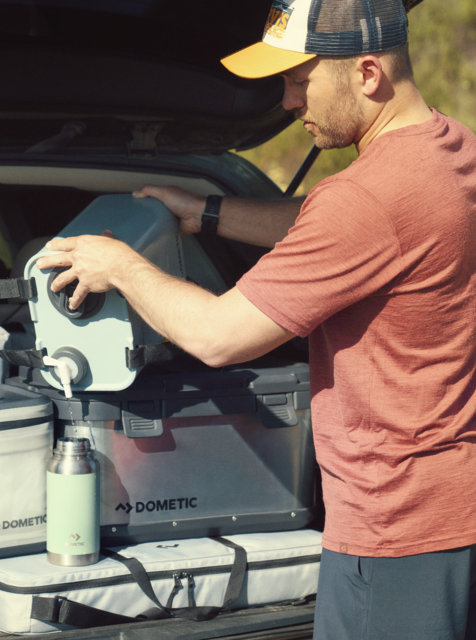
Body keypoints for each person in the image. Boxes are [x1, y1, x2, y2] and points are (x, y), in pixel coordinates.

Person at [36, 0, 476, 637]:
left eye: (299, 81)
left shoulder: (363, 199)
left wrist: (123, 266)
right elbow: (336, 233)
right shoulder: (448, 148)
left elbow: (218, 337)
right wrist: (206, 213)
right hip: (451, 510)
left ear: (368, 74)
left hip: (395, 530)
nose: (290, 102)